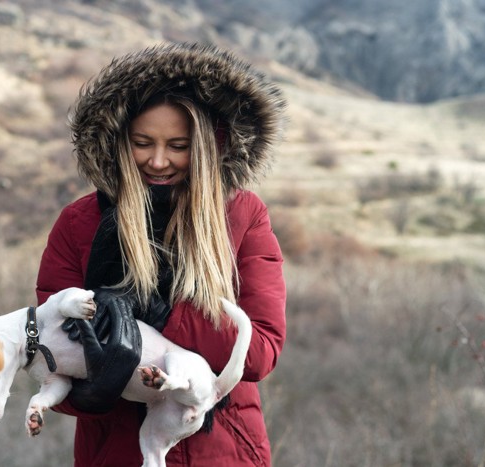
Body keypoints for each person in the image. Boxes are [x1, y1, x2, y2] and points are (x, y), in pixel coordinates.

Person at [36, 42, 287, 467]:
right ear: (118, 141)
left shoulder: (243, 215)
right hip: (118, 453)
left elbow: (260, 352)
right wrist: (90, 395)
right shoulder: (80, 223)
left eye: (178, 145)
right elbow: (50, 347)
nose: (158, 161)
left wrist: (162, 309)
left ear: (208, 145)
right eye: (142, 142)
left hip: (223, 454)